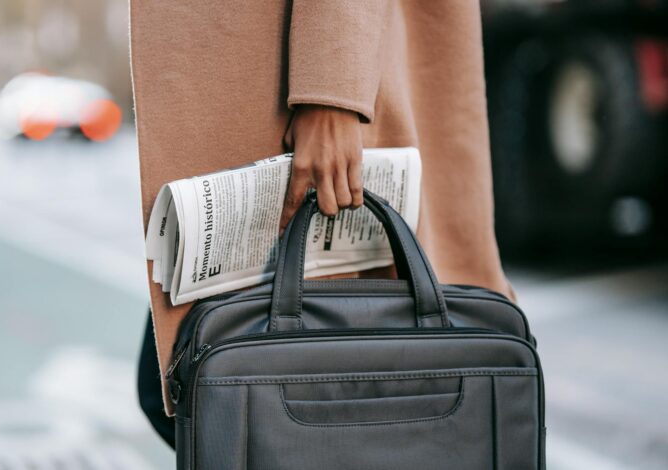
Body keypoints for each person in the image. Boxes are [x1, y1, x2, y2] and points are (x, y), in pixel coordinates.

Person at [130, 0, 515, 448]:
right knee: (196, 390)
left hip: (305, 83)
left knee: (221, 398)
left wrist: (332, 89)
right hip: (273, 75)